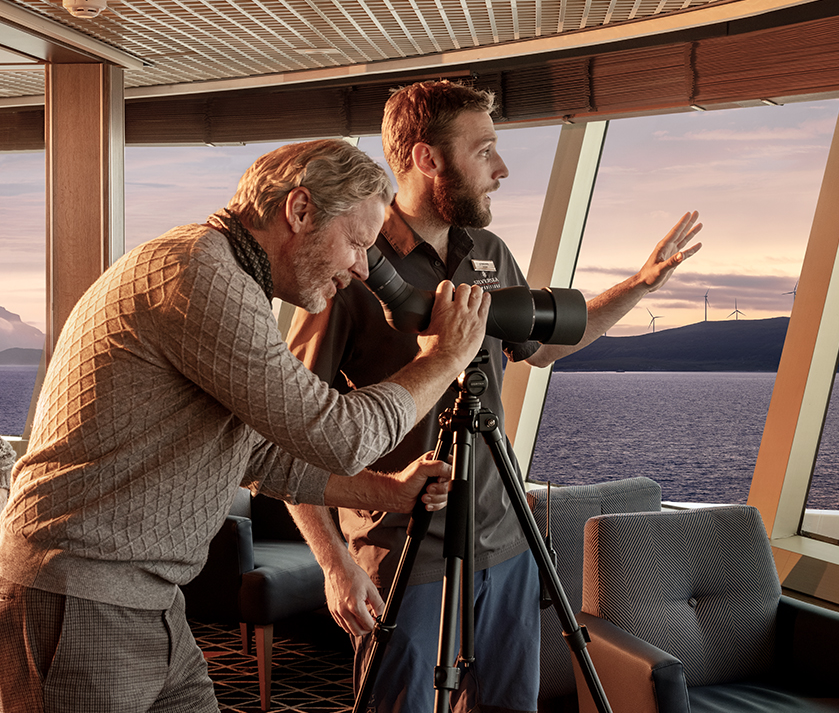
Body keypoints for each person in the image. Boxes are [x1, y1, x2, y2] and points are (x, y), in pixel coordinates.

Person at [0, 138, 491, 713]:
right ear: (300, 210)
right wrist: (443, 358)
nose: (362, 267)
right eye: (357, 243)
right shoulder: (194, 273)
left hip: (145, 601)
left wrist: (385, 492)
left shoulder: (228, 279)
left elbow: (260, 455)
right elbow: (342, 433)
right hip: (79, 599)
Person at [286, 80, 702, 713]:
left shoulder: (488, 252)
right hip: (403, 553)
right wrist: (334, 563)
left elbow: (547, 340)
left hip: (506, 544)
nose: (501, 170)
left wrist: (640, 286)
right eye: (484, 151)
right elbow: (289, 432)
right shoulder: (353, 263)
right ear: (427, 158)